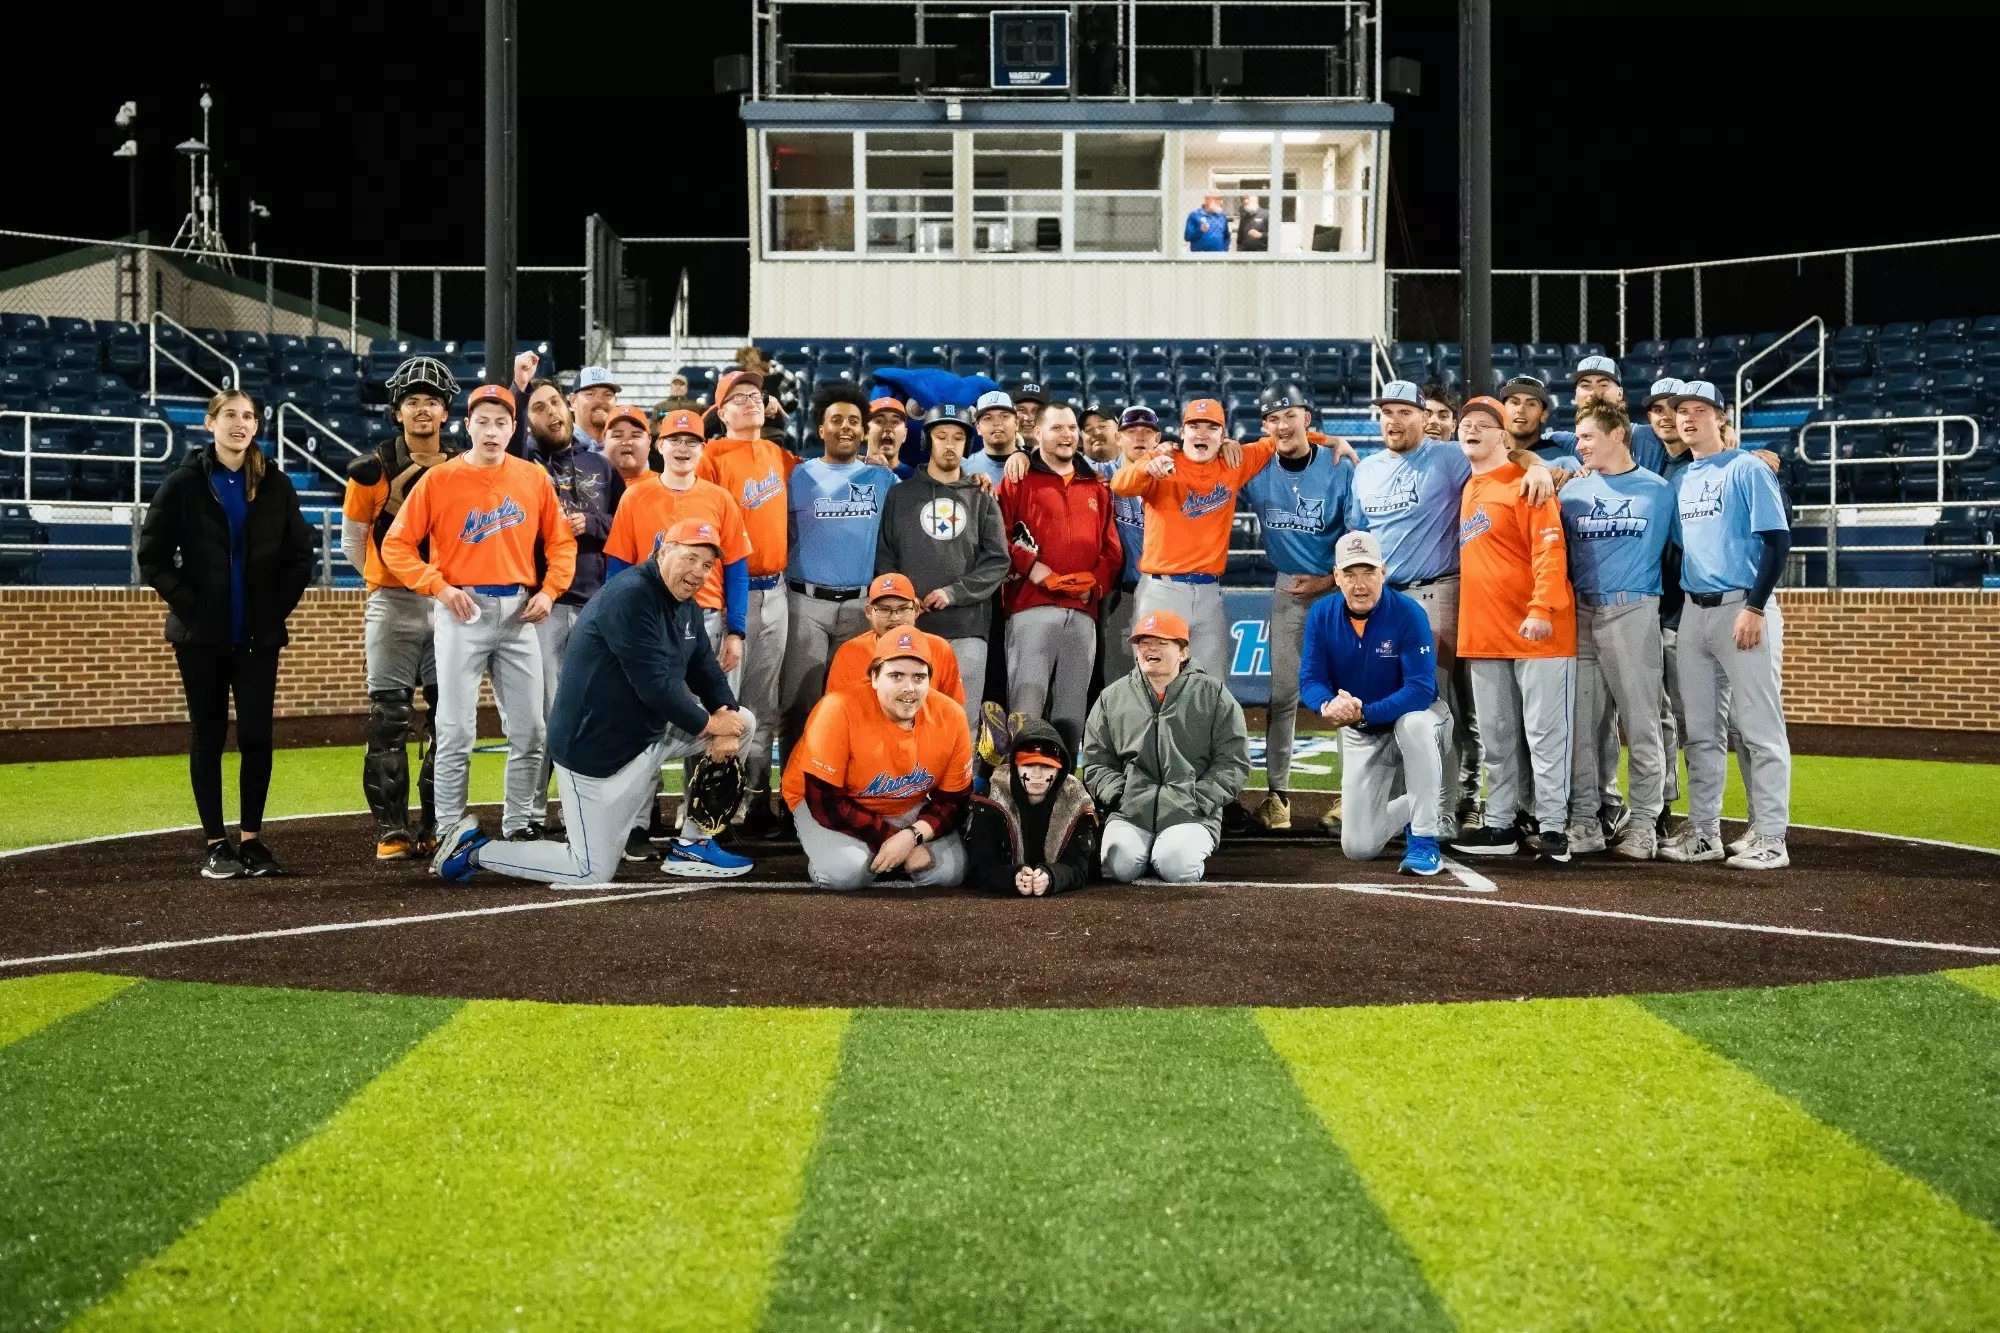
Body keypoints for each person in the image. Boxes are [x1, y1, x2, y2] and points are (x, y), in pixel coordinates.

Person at [433, 518, 755, 886]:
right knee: (589, 870)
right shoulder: (631, 595)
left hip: (644, 734)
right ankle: (472, 849)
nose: (699, 572)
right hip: (596, 749)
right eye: (691, 558)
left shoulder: (685, 604)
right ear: (664, 551)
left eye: (707, 565)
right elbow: (655, 687)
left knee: (743, 721)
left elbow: (705, 670)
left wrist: (725, 716)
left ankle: (693, 845)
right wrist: (712, 726)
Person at [1352, 380, 1557, 840]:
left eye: (1405, 412)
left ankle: (1444, 808)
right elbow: (1358, 537)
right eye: (1387, 412)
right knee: (1391, 707)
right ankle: (1398, 806)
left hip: (1436, 593)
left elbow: (1506, 453)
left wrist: (1540, 465)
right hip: (1385, 600)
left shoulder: (1446, 457)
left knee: (1436, 708)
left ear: (1425, 418)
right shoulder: (1364, 470)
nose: (1394, 420)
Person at [379, 384, 578, 858]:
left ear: (514, 428)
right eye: (483, 422)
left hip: (518, 612)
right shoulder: (440, 479)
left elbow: (561, 544)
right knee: (455, 729)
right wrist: (438, 586)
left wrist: (550, 592)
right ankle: (451, 827)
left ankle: (522, 822)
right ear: (466, 426)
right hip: (460, 609)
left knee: (532, 730)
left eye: (502, 422)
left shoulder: (532, 478)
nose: (492, 431)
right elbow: (396, 545)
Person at [138, 389, 314, 879]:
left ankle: (253, 840)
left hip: (258, 636)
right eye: (231, 415)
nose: (241, 424)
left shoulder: (275, 484)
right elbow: (152, 557)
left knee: (257, 735)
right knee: (208, 734)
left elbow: (301, 555)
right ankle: (216, 842)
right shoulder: (183, 484)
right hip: (202, 637)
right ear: (209, 423)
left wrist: (275, 608)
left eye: (250, 417)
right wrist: (191, 604)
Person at [604, 406, 753, 854]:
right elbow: (617, 565)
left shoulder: (720, 498)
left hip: (706, 622)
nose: (683, 447)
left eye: (692, 440)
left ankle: (703, 818)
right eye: (675, 439)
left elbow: (738, 570)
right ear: (660, 445)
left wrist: (736, 631)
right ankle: (636, 820)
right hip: (650, 624)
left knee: (721, 721)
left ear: (702, 448)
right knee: (645, 720)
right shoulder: (636, 496)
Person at [1659, 380, 1793, 870]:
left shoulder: (1748, 469)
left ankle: (1772, 837)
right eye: (1681, 412)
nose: (1687, 418)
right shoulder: (1683, 480)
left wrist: (1756, 606)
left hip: (1742, 606)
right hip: (1695, 611)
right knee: (1701, 733)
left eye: (1698, 410)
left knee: (1759, 729)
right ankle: (1704, 833)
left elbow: (1777, 543)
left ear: (1721, 416)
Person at [1447, 395, 1577, 863]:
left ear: (1504, 435)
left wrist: (1542, 608)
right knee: (1499, 740)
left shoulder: (1528, 483)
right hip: (1483, 634)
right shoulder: (1468, 485)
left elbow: (1550, 552)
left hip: (1538, 631)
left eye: (1485, 424)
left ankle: (1554, 828)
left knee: (1545, 737)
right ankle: (1500, 824)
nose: (1472, 429)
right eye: (1466, 423)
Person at [342, 354, 460, 859]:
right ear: (397, 412)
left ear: (445, 412)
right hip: (392, 602)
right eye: (412, 402)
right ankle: (391, 830)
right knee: (389, 716)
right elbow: (353, 541)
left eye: (432, 402)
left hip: (448, 603)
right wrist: (384, 577)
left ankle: (436, 824)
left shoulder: (462, 467)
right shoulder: (371, 469)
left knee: (445, 718)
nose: (422, 411)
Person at [1238, 383, 1361, 830]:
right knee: (1283, 696)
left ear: (1307, 418)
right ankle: (1278, 798)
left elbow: (1358, 540)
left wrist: (1330, 580)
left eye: (1290, 414)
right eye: (1272, 418)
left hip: (1338, 593)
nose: (1282, 424)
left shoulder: (1337, 464)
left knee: (1347, 694)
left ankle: (1352, 797)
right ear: (1265, 427)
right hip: (1288, 590)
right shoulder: (1255, 467)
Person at [1558, 397, 1673, 859]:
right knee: (1583, 727)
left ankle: (1644, 823)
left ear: (1618, 435)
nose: (1579, 445)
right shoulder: (1572, 492)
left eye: (1587, 436)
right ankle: (1585, 820)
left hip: (1634, 611)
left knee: (1641, 724)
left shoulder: (1660, 491)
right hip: (1580, 614)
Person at [1299, 531, 1447, 876]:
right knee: (1358, 848)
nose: (1359, 584)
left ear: (1384, 571)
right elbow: (1311, 680)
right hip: (1362, 730)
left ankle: (1424, 841)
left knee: (1414, 724)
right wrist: (1327, 705)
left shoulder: (1408, 612)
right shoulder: (1322, 613)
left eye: (1368, 573)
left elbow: (1421, 690)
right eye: (1350, 574)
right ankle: (1427, 802)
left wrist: (1364, 712)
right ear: (1336, 577)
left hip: (1418, 719)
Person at [783, 629, 973, 890]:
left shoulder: (951, 716)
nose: (909, 688)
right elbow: (826, 803)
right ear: (874, 677)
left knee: (950, 872)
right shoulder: (836, 709)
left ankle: (881, 858)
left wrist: (913, 835)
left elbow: (954, 800)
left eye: (919, 677)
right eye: (896, 676)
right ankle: (839, 854)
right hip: (829, 805)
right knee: (846, 874)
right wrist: (895, 840)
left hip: (903, 805)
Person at [696, 368, 801, 835]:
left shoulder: (778, 454)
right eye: (738, 398)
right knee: (722, 704)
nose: (751, 402)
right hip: (726, 597)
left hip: (775, 590)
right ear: (720, 412)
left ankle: (755, 803)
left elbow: (821, 473)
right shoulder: (711, 455)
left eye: (756, 396)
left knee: (764, 704)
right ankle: (713, 805)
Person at [517, 379, 621, 838]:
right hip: (545, 604)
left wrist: (593, 521)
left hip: (597, 605)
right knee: (545, 716)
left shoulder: (600, 463)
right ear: (527, 420)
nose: (551, 413)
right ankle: (533, 815)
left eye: (556, 402)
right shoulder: (521, 466)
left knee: (596, 714)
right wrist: (518, 389)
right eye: (538, 408)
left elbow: (628, 523)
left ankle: (588, 813)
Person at [1112, 397, 1276, 682]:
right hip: (1162, 589)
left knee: (1211, 684)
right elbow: (1120, 484)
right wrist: (1146, 468)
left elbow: (1283, 438)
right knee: (1154, 683)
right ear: (1182, 431)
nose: (1202, 433)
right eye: (1194, 426)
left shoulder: (1233, 462)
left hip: (1208, 592)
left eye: (1211, 428)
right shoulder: (1162, 461)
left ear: (1223, 436)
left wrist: (1331, 440)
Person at [1082, 610, 1250, 883]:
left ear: (1183, 652)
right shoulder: (1112, 697)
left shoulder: (1214, 694)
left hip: (1190, 810)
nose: (1150, 648)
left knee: (1176, 867)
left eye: (1161, 642)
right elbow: (1096, 759)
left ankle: (1164, 855)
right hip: (1132, 809)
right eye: (1144, 642)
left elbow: (1233, 760)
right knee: (1117, 867)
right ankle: (1148, 853)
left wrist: (1200, 797)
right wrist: (1118, 794)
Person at [782, 384, 901, 765]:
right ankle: (792, 797)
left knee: (856, 708)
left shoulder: (883, 480)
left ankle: (845, 792)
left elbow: (922, 502)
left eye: (854, 421)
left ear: (864, 430)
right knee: (799, 706)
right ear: (820, 429)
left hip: (861, 608)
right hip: (805, 605)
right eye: (836, 420)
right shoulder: (798, 476)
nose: (845, 427)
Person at [874, 404, 1008, 737]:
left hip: (968, 629)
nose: (950, 445)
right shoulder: (899, 495)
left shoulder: (981, 496)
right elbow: (886, 557)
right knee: (906, 718)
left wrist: (953, 593)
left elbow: (997, 561)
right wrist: (901, 602)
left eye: (958, 438)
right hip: (911, 631)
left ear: (967, 445)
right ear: (927, 442)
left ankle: (957, 789)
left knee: (962, 722)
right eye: (941, 436)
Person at [998, 401, 1123, 755]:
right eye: (1057, 428)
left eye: (1071, 428)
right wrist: (1034, 569)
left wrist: (1094, 586)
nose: (1067, 435)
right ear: (1037, 433)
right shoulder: (1018, 479)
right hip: (1030, 605)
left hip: (1082, 612)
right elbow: (997, 535)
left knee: (1072, 709)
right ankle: (1014, 790)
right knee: (1026, 703)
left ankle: (1063, 788)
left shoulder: (1096, 485)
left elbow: (1111, 550)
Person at [965, 718, 1101, 896]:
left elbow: (1080, 869)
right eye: (1028, 764)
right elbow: (980, 866)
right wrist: (1011, 878)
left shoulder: (1076, 799)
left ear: (1060, 770)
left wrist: (1052, 876)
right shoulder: (990, 798)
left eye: (1046, 766)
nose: (1037, 774)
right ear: (1015, 766)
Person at [825, 573, 965, 704]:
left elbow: (953, 708)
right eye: (884, 610)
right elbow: (834, 710)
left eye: (903, 609)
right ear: (869, 612)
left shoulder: (939, 648)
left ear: (916, 609)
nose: (894, 618)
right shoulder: (850, 652)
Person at [1097, 406, 1158, 685]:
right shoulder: (1099, 473)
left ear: (1157, 439)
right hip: (1120, 592)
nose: (1140, 438)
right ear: (1118, 439)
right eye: (1131, 432)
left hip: (1162, 589)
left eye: (1147, 432)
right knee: (1117, 676)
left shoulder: (1170, 477)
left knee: (1158, 675)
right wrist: (1022, 455)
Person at [1574, 355, 1667, 474]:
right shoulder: (1564, 443)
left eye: (1603, 385)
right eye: (1585, 386)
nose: (1594, 393)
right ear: (1575, 395)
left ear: (1620, 393)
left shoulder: (1652, 436)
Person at [961, 389, 1024, 488]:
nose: (997, 423)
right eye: (987, 418)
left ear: (1016, 423)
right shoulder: (962, 469)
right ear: (978, 427)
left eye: (1004, 416)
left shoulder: (1036, 463)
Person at [568, 366, 620, 451]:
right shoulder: (559, 445)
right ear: (573, 401)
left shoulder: (623, 449)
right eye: (590, 394)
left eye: (608, 395)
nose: (600, 401)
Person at [865, 394, 910, 473]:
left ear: (904, 435)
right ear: (865, 432)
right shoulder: (849, 474)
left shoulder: (915, 479)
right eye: (879, 421)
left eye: (895, 422)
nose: (888, 428)